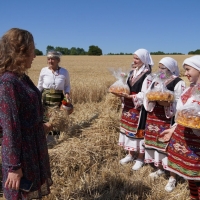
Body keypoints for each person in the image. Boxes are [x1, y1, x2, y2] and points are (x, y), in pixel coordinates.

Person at [0, 28, 53, 199]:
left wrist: (41, 125)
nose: (35, 55)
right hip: (22, 155)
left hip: (34, 148)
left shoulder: (22, 77)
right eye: (32, 49)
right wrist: (14, 167)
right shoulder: (8, 82)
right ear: (20, 51)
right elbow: (10, 128)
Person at [159, 55, 200, 199]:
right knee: (190, 177)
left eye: (188, 69)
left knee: (197, 176)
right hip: (183, 140)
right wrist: (172, 129)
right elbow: (182, 114)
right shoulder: (189, 89)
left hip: (196, 142)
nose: (186, 73)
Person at [142, 57, 185, 192]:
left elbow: (180, 101)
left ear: (171, 68)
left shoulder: (179, 82)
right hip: (154, 117)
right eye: (159, 67)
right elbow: (148, 93)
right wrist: (151, 97)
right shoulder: (157, 78)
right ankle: (160, 168)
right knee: (156, 144)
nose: (160, 70)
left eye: (163, 68)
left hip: (168, 119)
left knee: (168, 147)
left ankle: (172, 178)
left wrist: (167, 102)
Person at [118, 48, 154, 170]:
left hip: (139, 108)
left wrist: (130, 96)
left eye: (137, 58)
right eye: (134, 58)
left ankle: (140, 158)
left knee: (138, 133)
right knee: (127, 131)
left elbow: (145, 94)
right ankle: (130, 154)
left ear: (144, 60)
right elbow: (126, 86)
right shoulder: (132, 72)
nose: (134, 60)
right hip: (128, 106)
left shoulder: (148, 75)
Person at [37, 50, 71, 135]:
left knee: (56, 117)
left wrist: (67, 94)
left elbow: (67, 85)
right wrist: (36, 95)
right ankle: (45, 136)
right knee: (46, 116)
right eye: (48, 59)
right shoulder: (44, 71)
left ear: (58, 60)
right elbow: (40, 85)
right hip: (46, 98)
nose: (50, 61)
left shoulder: (64, 72)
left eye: (52, 59)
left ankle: (56, 135)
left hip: (58, 98)